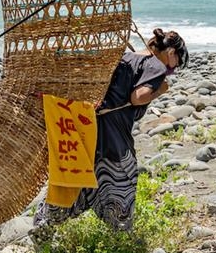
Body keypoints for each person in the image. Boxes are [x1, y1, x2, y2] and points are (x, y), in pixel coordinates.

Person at [32, 27, 189, 234]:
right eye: (177, 64)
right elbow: (138, 97)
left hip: (87, 131)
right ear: (171, 53)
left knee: (76, 180)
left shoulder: (123, 56)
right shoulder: (155, 66)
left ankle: (44, 227)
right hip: (114, 138)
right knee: (122, 181)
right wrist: (159, 89)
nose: (173, 69)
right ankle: (120, 241)